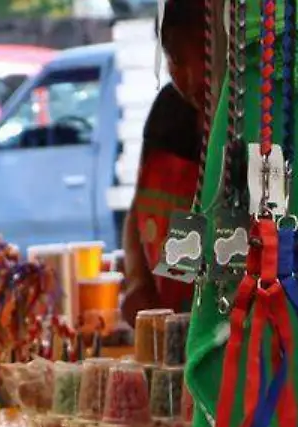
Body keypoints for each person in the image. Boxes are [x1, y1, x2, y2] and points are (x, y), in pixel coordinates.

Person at [121, 0, 207, 322]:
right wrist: (137, 281)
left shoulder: (242, 123)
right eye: (176, 59)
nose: (192, 76)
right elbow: (137, 212)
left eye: (201, 52)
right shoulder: (168, 112)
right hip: (168, 328)